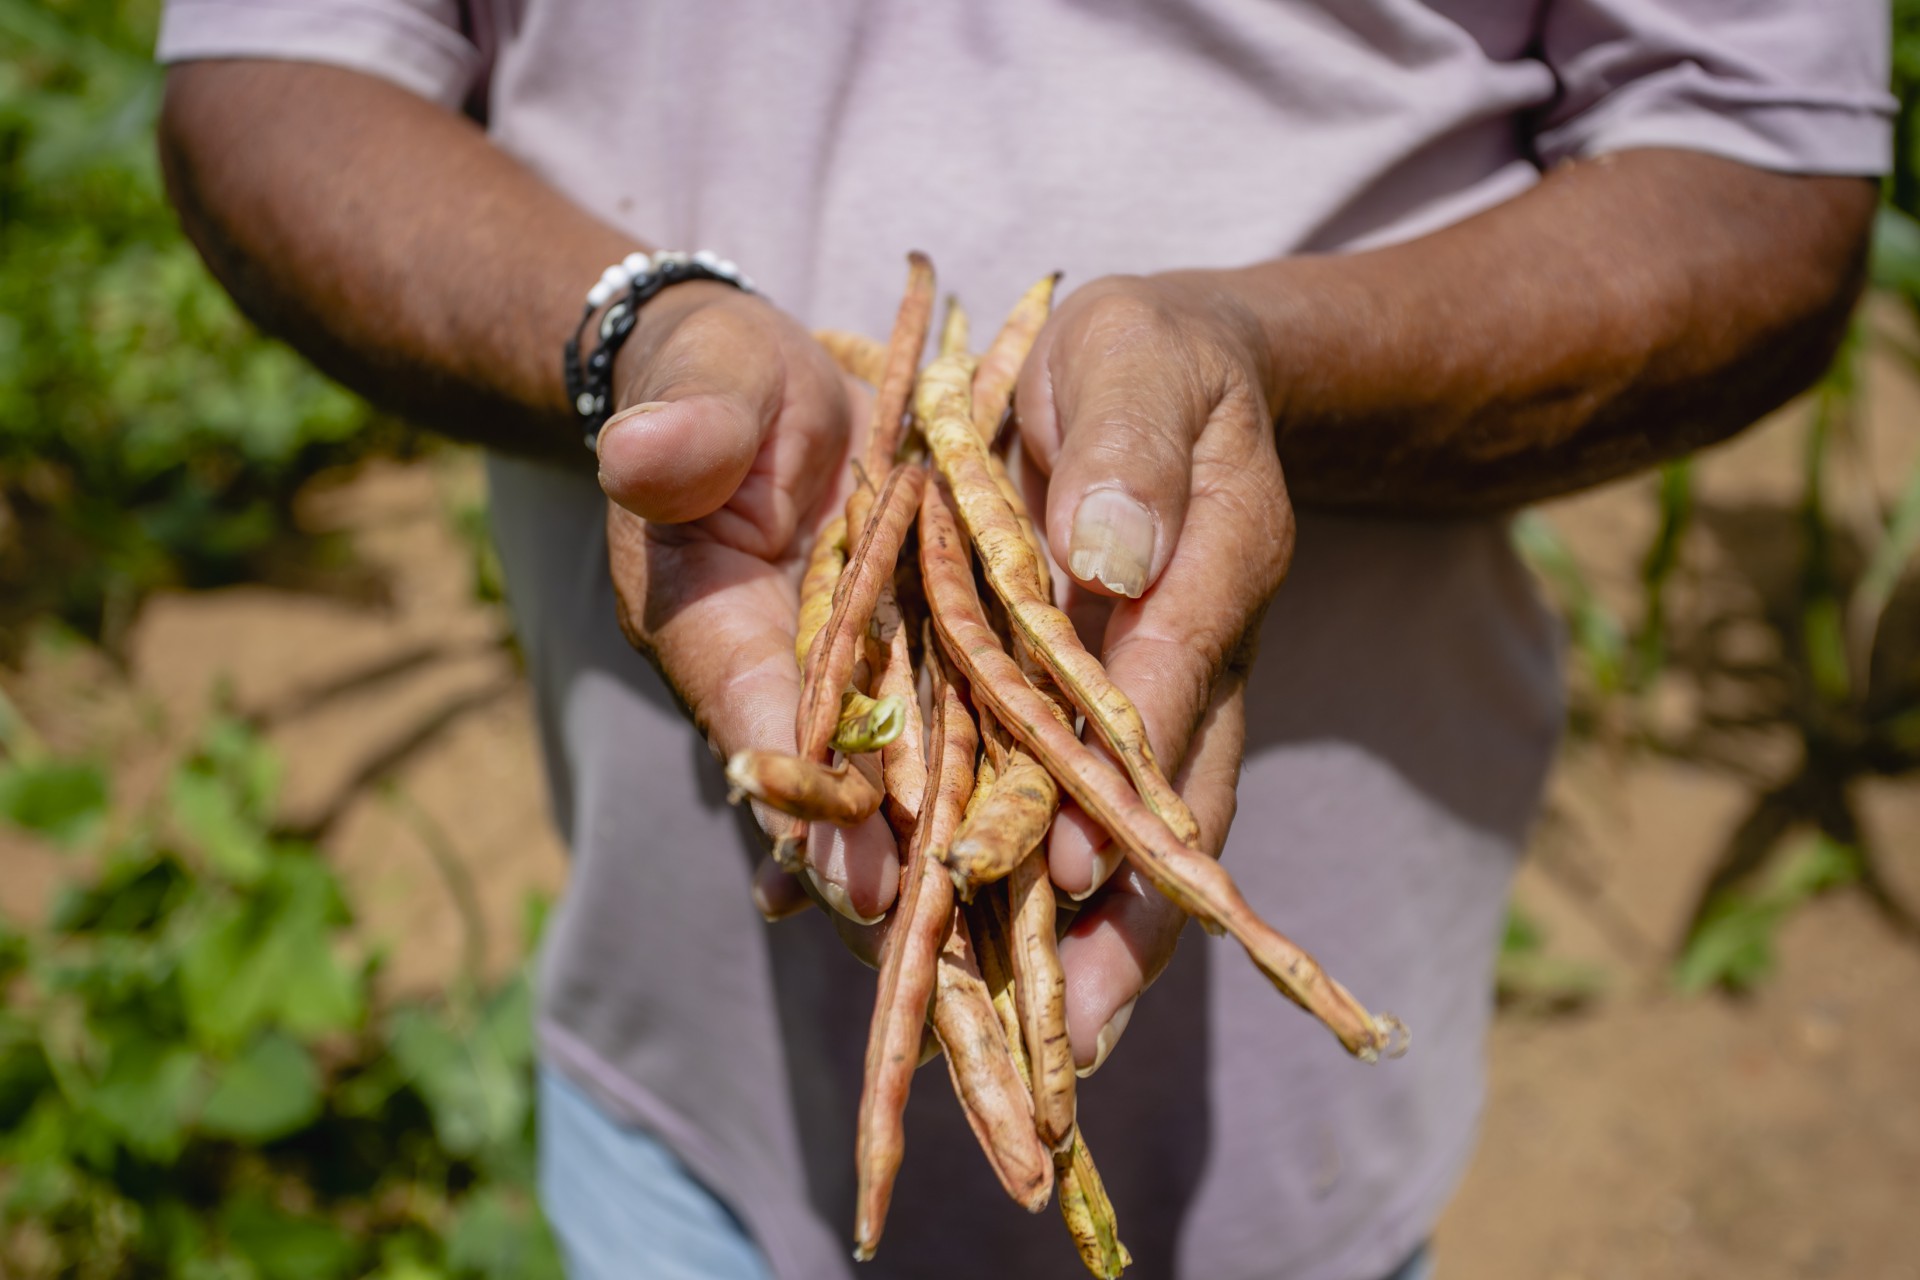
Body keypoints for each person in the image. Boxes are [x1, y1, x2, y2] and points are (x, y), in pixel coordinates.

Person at [154, 3, 1887, 1277]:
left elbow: (1766, 167)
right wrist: (637, 329)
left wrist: (1264, 364)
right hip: (672, 1106)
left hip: (1286, 1194)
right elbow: (270, 68)